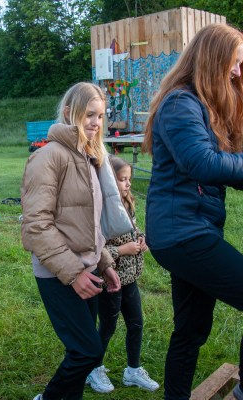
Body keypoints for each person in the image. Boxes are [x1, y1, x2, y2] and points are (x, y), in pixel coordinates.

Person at [142, 23, 243, 400]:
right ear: (215, 60)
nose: (237, 71)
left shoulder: (203, 105)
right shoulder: (179, 103)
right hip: (183, 234)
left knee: (191, 329)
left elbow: (228, 163)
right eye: (235, 63)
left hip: (190, 231)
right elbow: (203, 163)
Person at [21, 82, 122, 400]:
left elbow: (89, 222)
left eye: (100, 116)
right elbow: (37, 226)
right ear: (68, 113)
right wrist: (74, 273)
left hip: (87, 270)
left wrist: (104, 262)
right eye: (89, 114)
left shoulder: (89, 156)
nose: (95, 122)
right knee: (87, 351)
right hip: (58, 273)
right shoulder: (48, 157)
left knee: (79, 351)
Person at [86, 156, 159, 394]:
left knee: (136, 323)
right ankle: (94, 368)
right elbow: (96, 248)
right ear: (108, 181)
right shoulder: (100, 210)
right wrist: (123, 250)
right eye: (121, 179)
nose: (127, 184)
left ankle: (133, 370)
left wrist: (142, 239)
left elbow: (134, 230)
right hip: (110, 280)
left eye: (129, 179)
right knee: (107, 325)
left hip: (130, 277)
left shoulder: (127, 202)